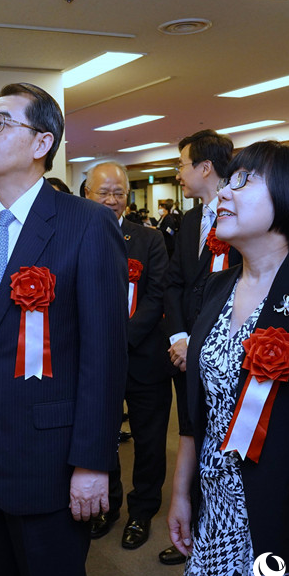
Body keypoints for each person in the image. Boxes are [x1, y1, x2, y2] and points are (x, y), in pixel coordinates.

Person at [0, 83, 128, 576]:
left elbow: (104, 356)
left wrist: (93, 461)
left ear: (42, 143)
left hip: (49, 457)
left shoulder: (87, 224)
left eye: (1, 124)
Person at [166, 141, 289, 576]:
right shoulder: (216, 286)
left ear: (288, 196)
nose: (224, 192)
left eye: (245, 181)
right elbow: (198, 407)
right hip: (215, 506)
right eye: (227, 181)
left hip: (280, 513)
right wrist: (182, 493)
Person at [160, 129, 241, 566]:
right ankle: (189, 530)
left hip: (225, 354)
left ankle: (221, 535)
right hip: (184, 352)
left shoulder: (242, 212)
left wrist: (202, 344)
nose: (179, 173)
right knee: (191, 433)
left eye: (182, 165)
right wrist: (179, 338)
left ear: (205, 167)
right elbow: (174, 282)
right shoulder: (191, 220)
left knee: (224, 440)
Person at [84, 162, 173, 552]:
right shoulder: (75, 235)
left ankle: (142, 510)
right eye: (103, 192)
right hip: (93, 361)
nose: (111, 200)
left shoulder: (149, 239)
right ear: (86, 195)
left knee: (150, 441)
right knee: (101, 436)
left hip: (144, 358)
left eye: (118, 192)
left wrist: (120, 340)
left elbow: (157, 296)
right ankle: (107, 505)